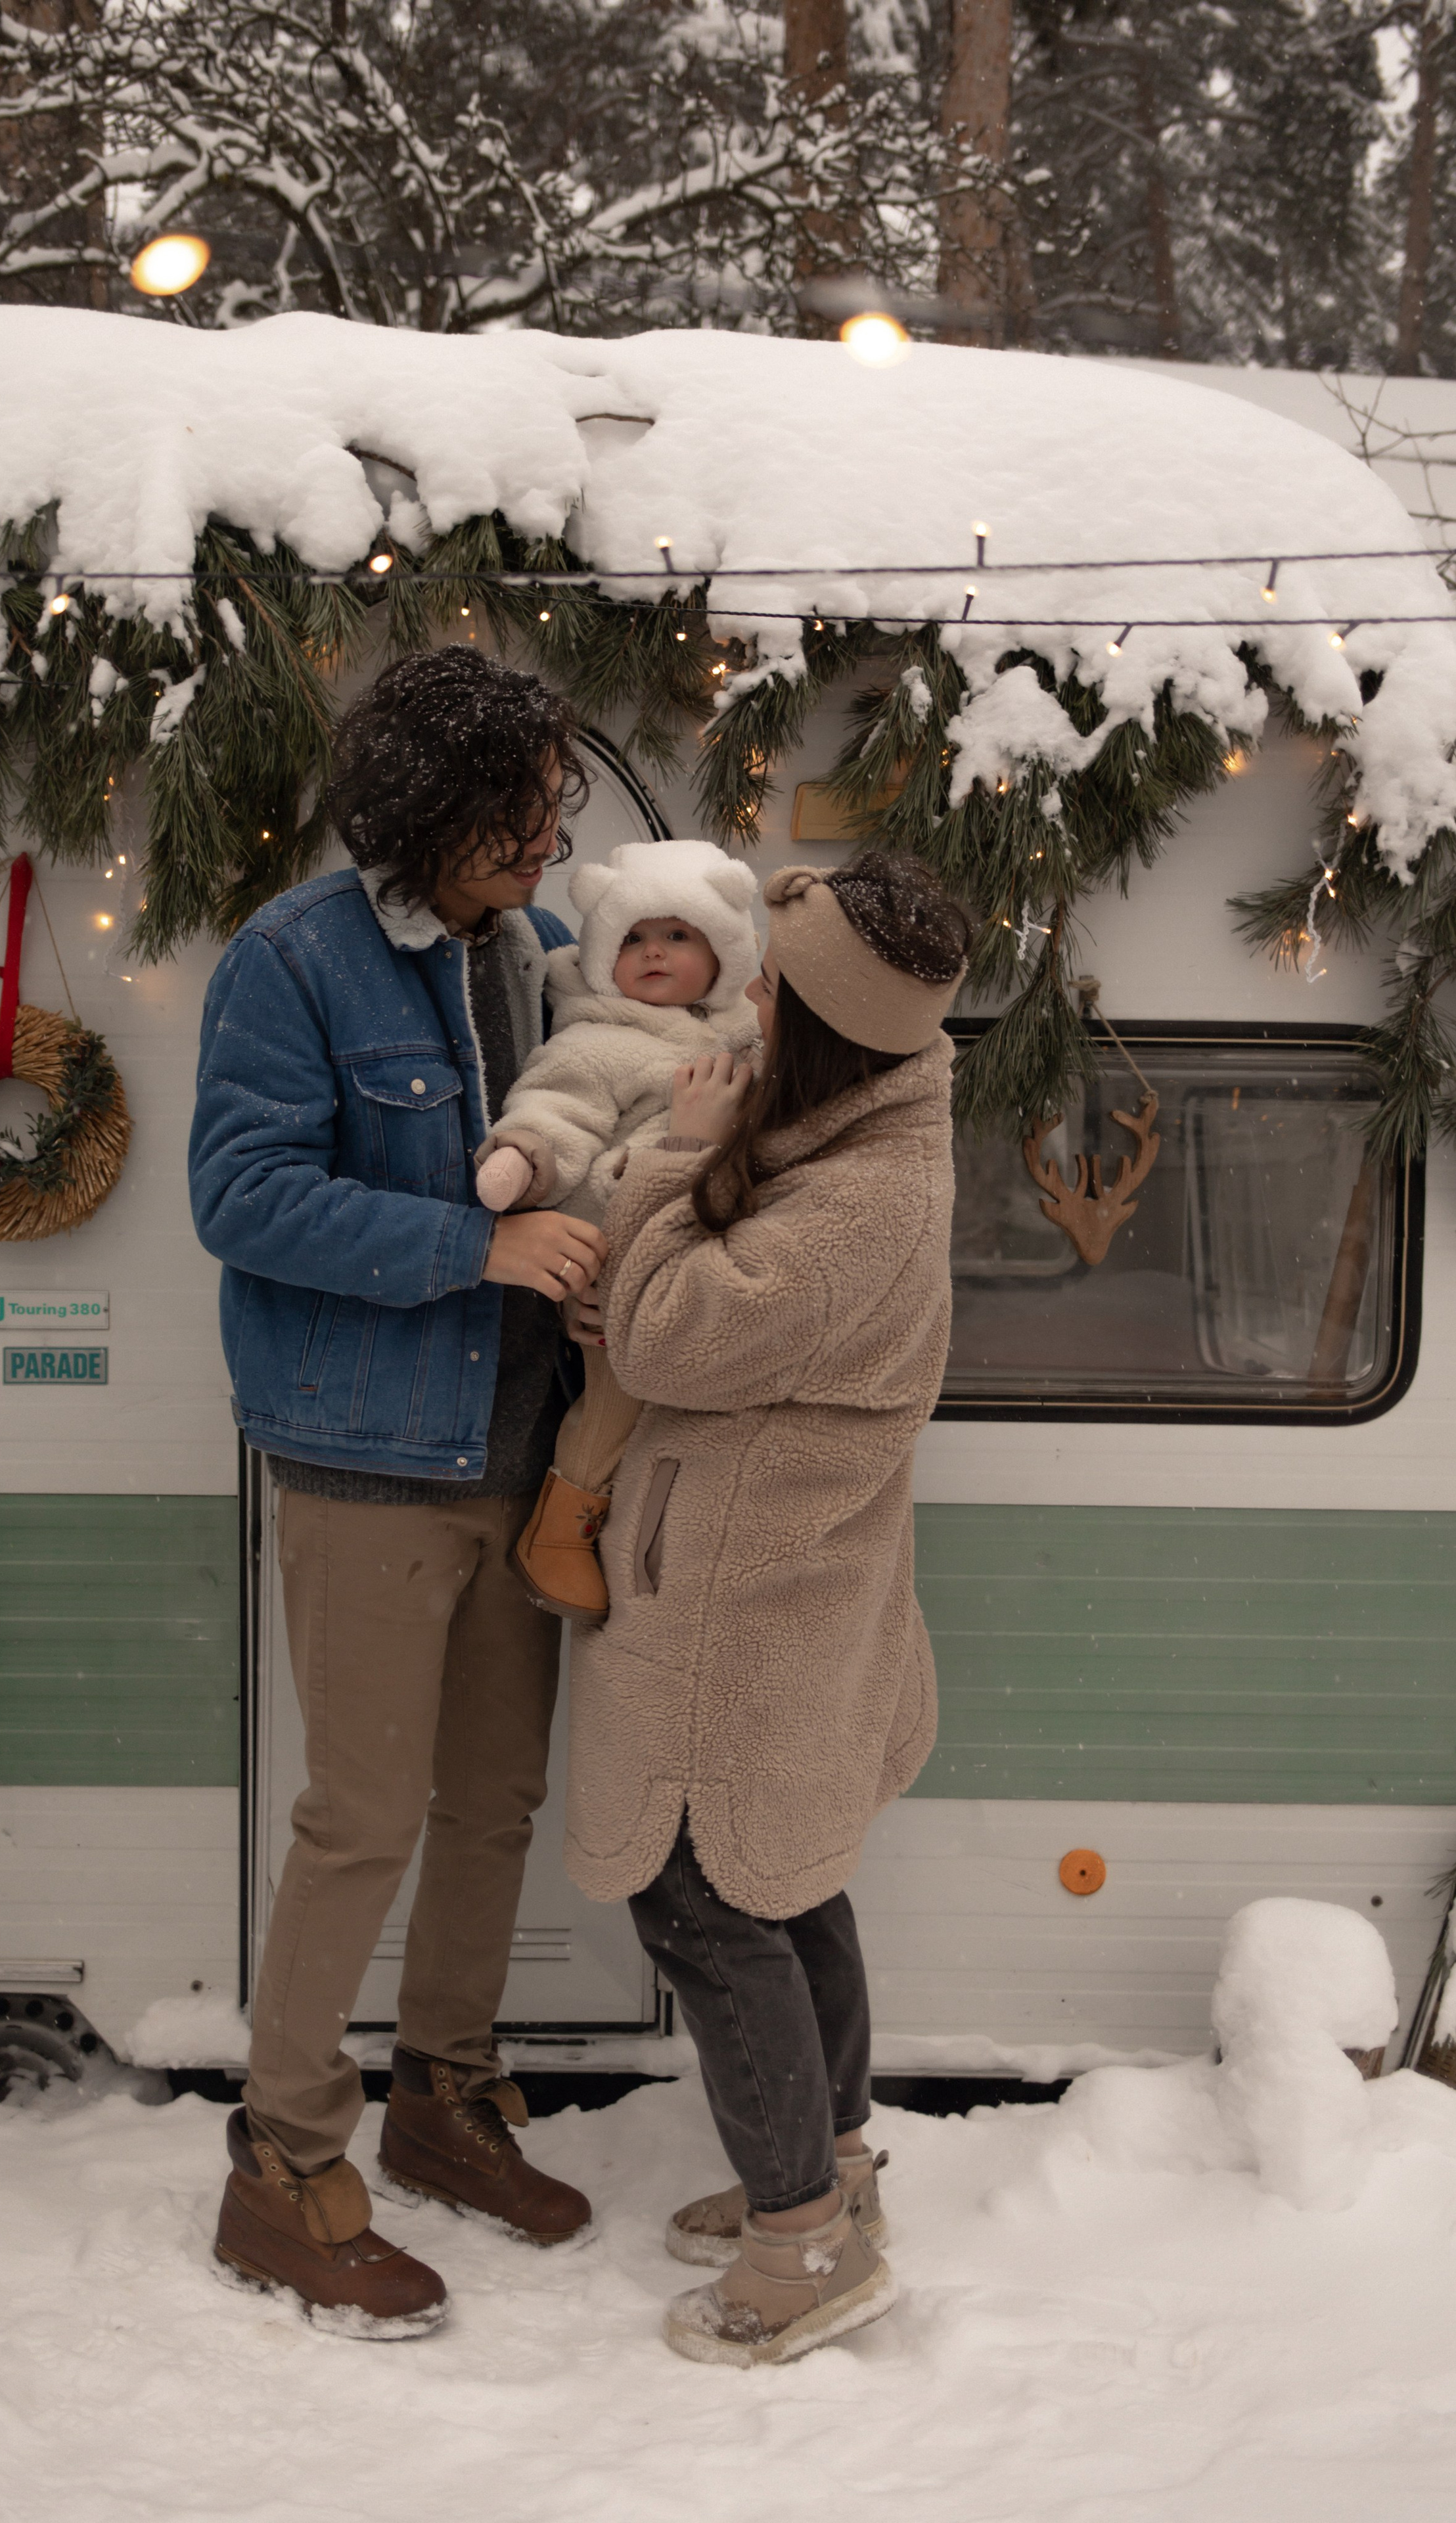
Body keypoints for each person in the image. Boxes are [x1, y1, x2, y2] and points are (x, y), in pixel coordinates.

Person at [188, 648, 605, 2340]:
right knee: (358, 1817)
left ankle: (442, 2096)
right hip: (366, 1459)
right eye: (513, 807)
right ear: (426, 802)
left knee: (493, 1800)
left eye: (551, 804)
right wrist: (475, 1244)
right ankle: (280, 2164)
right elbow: (242, 1195)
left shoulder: (547, 956)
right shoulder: (293, 956)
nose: (542, 838)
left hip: (530, 1462)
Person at [562, 850, 973, 2368]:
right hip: (781, 1581)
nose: (746, 994)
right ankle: (834, 2164)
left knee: (705, 1893)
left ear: (823, 1017)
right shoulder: (854, 1122)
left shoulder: (863, 1193)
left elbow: (671, 1331)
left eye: (773, 983)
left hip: (745, 1600)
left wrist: (672, 1159)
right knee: (784, 1876)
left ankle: (799, 2241)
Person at [472, 839, 762, 1620]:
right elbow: (555, 1108)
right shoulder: (598, 1037)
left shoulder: (745, 1037)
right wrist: (524, 1159)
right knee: (617, 1396)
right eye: (632, 938)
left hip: (699, 1256)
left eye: (676, 935)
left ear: (722, 953)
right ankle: (561, 1530)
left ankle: (625, 1523)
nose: (653, 953)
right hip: (617, 1253)